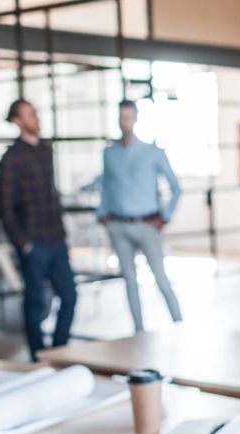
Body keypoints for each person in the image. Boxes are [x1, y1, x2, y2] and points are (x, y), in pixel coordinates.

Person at [0, 99, 78, 362]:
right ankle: (38, 357)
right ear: (18, 121)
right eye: (30, 115)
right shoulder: (11, 158)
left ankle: (58, 350)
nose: (36, 119)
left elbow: (52, 196)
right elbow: (4, 206)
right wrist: (23, 243)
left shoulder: (45, 151)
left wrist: (64, 231)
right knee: (35, 302)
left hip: (55, 238)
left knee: (69, 295)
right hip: (33, 242)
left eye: (36, 113)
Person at [97, 100, 182, 333]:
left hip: (147, 225)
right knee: (130, 283)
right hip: (118, 226)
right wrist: (101, 214)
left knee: (161, 280)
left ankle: (180, 325)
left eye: (129, 117)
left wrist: (165, 217)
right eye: (121, 117)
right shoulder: (109, 153)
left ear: (135, 118)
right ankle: (139, 332)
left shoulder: (153, 152)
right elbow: (106, 186)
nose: (125, 121)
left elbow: (175, 188)